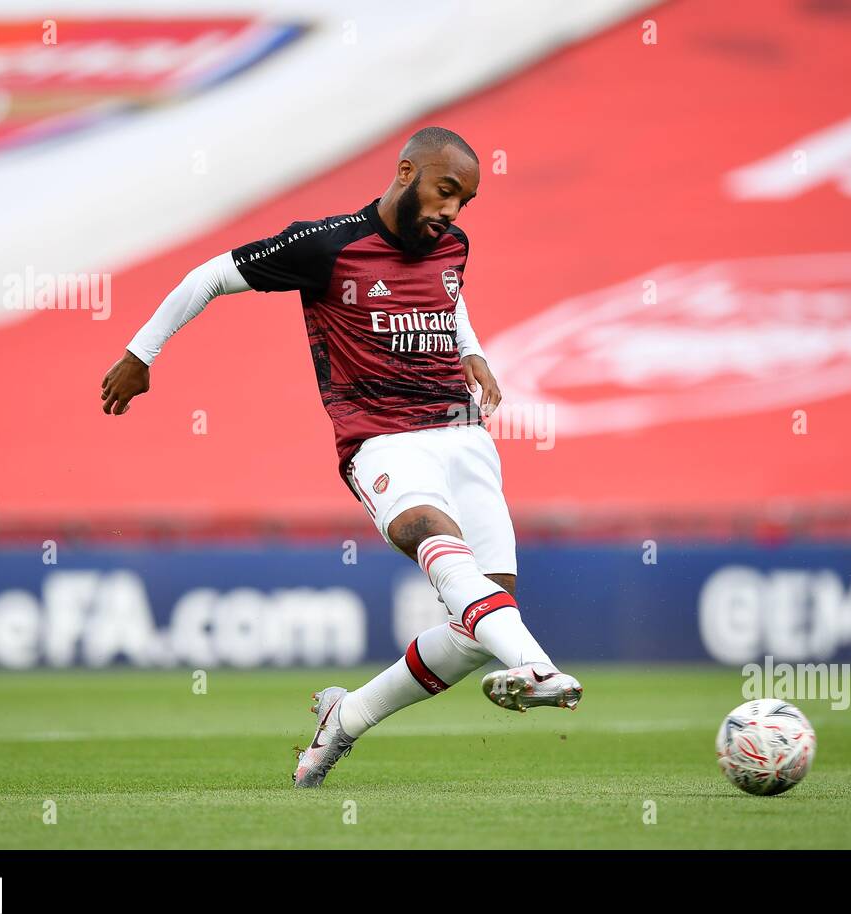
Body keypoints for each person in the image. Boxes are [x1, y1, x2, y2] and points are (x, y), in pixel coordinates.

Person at [100, 127, 581, 788]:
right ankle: (539, 669)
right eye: (446, 192)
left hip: (463, 435)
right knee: (431, 539)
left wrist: (474, 351)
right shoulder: (326, 246)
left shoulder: (453, 246)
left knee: (480, 624)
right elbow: (211, 275)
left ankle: (345, 718)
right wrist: (141, 352)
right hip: (381, 437)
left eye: (464, 202)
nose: (452, 213)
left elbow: (449, 292)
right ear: (407, 171)